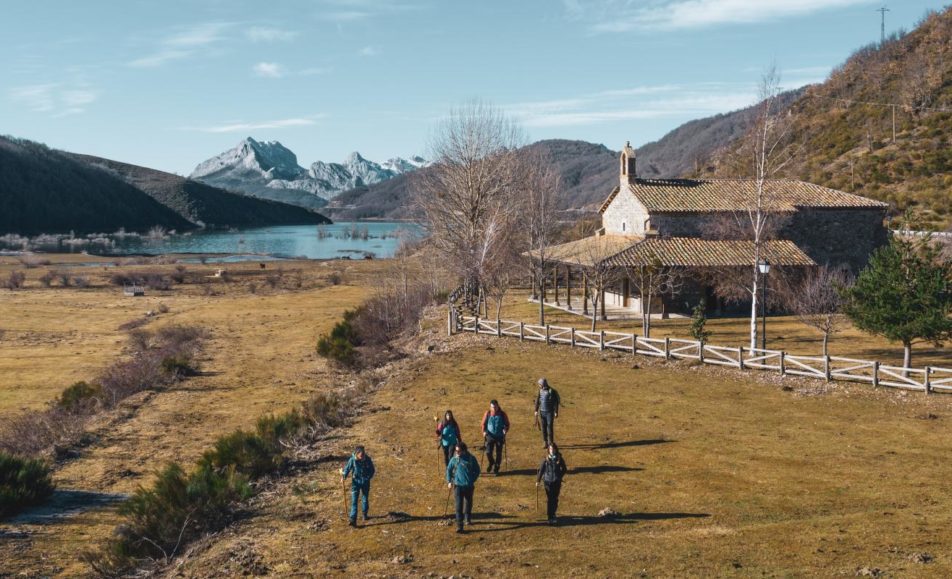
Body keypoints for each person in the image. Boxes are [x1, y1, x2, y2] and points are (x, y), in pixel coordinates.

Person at [445, 442, 481, 533]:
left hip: (469, 486)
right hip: (458, 486)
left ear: (464, 450)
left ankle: (467, 519)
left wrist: (472, 480)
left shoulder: (471, 459)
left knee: (468, 504)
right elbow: (449, 469)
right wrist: (449, 481)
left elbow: (477, 470)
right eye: (456, 451)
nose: (456, 453)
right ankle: (459, 526)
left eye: (458, 451)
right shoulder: (454, 459)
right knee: (458, 506)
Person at [340, 445, 375, 527]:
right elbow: (347, 469)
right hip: (355, 483)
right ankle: (353, 519)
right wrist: (343, 477)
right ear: (356, 453)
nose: (362, 457)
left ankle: (364, 514)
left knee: (365, 499)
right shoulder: (352, 460)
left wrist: (367, 478)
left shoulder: (368, 459)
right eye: (360, 455)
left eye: (363, 455)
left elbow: (372, 470)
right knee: (354, 501)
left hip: (366, 483)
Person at [536, 443, 568, 525]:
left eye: (553, 449)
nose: (552, 450)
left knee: (555, 498)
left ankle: (553, 513)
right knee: (550, 499)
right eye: (550, 449)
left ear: (556, 449)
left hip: (557, 482)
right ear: (548, 450)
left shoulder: (559, 458)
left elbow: (564, 469)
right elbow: (541, 470)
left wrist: (559, 476)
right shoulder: (545, 459)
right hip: (547, 482)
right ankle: (550, 516)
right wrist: (538, 481)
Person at [481, 399, 510, 474]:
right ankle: (491, 462)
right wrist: (484, 431)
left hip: (499, 436)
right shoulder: (487, 413)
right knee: (488, 452)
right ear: (490, 407)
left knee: (499, 453)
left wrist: (505, 429)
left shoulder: (502, 414)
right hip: (490, 436)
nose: (493, 408)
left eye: (495, 407)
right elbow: (483, 424)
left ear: (497, 406)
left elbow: (507, 424)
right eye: (492, 407)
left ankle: (496, 467)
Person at [533, 378, 561, 448]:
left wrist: (556, 412)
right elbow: (537, 401)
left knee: (549, 427)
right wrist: (536, 410)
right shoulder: (540, 391)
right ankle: (545, 442)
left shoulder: (551, 391)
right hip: (542, 412)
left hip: (549, 413)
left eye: (539, 384)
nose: (539, 385)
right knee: (543, 427)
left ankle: (550, 442)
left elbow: (556, 402)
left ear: (542, 384)